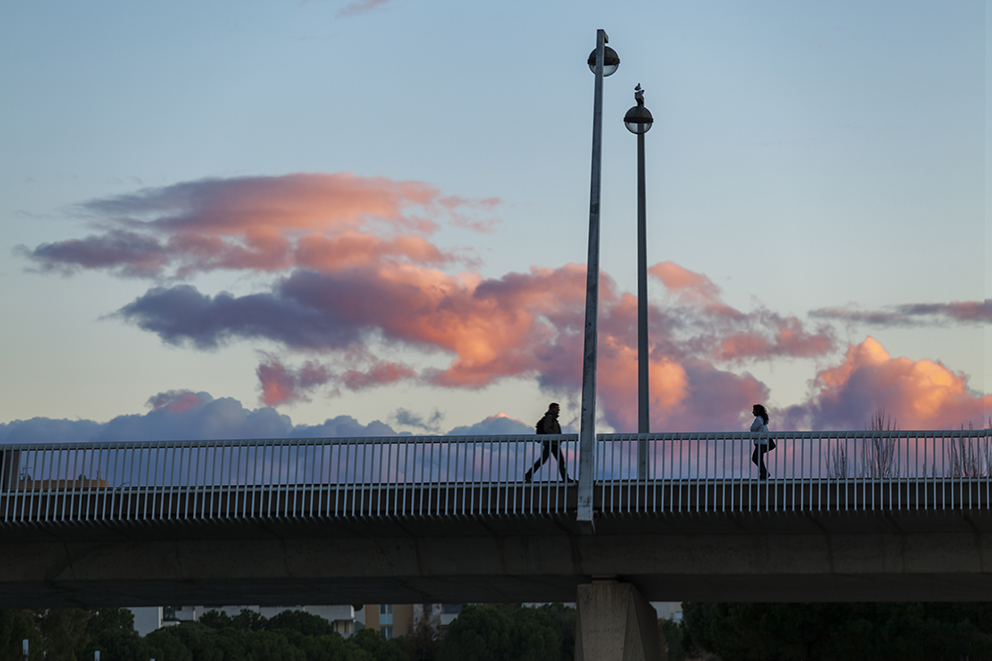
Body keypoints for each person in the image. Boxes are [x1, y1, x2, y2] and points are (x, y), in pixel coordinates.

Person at [524, 403, 573, 483]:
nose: (559, 410)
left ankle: (528, 475)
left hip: (552, 442)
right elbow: (547, 428)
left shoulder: (552, 417)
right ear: (553, 408)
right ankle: (565, 478)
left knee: (544, 460)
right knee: (559, 460)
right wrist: (556, 437)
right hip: (551, 442)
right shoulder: (550, 417)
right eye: (557, 408)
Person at [750, 404, 775, 479]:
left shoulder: (758, 419)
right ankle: (764, 473)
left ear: (757, 411)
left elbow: (752, 429)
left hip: (760, 443)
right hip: (764, 442)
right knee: (758, 459)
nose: (752, 412)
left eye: (753, 410)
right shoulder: (764, 418)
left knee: (755, 458)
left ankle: (764, 473)